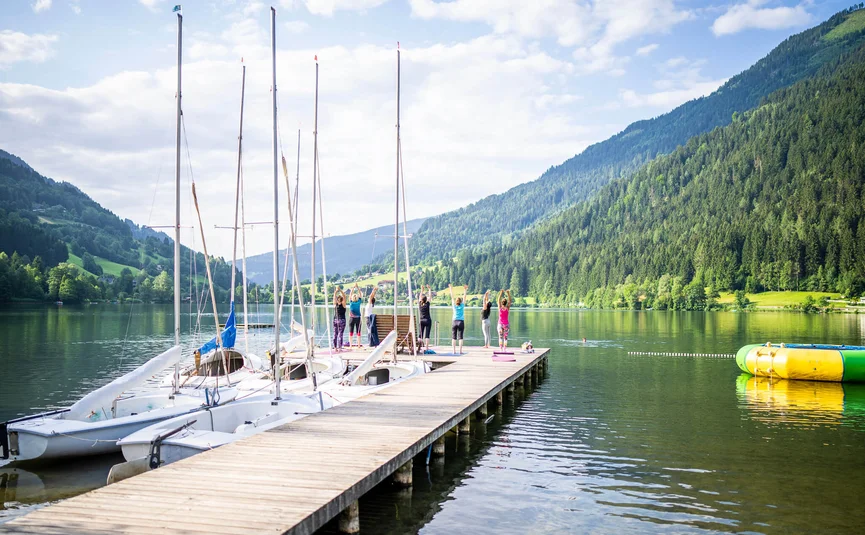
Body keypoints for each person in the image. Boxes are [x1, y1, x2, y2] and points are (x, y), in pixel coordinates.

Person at [448, 284, 467, 355]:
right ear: (461, 301)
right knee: (460, 337)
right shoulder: (462, 305)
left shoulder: (454, 305)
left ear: (456, 301)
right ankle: (460, 351)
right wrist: (465, 289)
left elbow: (452, 296)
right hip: (461, 322)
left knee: (454, 337)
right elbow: (464, 297)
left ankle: (454, 351)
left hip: (454, 321)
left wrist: (451, 288)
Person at [348, 283, 363, 348]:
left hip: (351, 318)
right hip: (358, 319)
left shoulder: (351, 302)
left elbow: (350, 294)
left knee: (351, 332)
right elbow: (360, 294)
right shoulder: (359, 302)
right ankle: (358, 345)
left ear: (352, 298)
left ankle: (351, 345)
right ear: (357, 298)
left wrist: (353, 288)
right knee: (358, 332)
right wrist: (358, 288)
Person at [418, 285, 432, 351]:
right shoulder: (427, 304)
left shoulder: (420, 304)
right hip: (428, 320)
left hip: (421, 320)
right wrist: (429, 289)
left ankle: (419, 347)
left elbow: (420, 297)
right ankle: (426, 348)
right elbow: (430, 297)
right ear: (426, 300)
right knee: (427, 334)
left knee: (420, 334)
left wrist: (422, 290)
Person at [332, 287, 347, 351]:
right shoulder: (343, 305)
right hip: (342, 320)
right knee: (340, 334)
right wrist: (340, 290)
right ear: (342, 300)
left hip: (335, 320)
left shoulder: (335, 305)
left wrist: (336, 291)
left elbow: (334, 297)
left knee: (335, 334)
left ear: (337, 300)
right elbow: (344, 296)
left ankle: (335, 347)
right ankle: (340, 347)